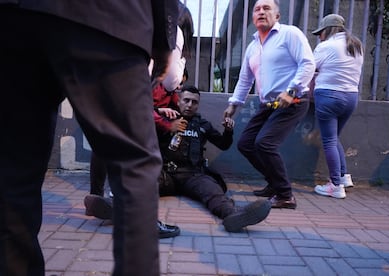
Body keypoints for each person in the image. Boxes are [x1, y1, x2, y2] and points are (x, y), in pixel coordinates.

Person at [0, 1, 179, 275]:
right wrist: (164, 40)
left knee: (14, 170)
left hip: (14, 17)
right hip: (108, 14)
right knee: (134, 163)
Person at [83, 85, 272, 232]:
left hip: (193, 175)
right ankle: (117, 209)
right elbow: (142, 123)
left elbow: (223, 144)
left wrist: (229, 131)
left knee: (213, 192)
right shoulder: (165, 119)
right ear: (178, 101)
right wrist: (159, 114)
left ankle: (233, 216)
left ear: (198, 104)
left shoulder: (202, 124)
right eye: (186, 101)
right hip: (164, 173)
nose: (189, 105)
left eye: (194, 102)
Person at [85, 2, 194, 239]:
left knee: (105, 137)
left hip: (91, 59)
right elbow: (172, 79)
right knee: (140, 148)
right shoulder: (171, 19)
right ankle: (141, 219)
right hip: (133, 80)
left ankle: (100, 196)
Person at [223, 0, 315, 209]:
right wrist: (234, 104)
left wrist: (291, 91)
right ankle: (274, 183)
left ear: (277, 16)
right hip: (268, 104)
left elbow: (308, 63)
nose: (261, 12)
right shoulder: (253, 46)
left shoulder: (290, 34)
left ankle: (285, 195)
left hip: (293, 101)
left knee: (264, 143)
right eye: (257, 9)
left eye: (266, 8)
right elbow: (245, 80)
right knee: (246, 144)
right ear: (253, 17)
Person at [311, 14, 363, 198]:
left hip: (329, 96)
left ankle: (335, 185)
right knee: (334, 137)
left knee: (329, 140)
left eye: (321, 33)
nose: (319, 37)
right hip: (351, 97)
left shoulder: (326, 46)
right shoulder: (356, 46)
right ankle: (343, 177)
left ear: (329, 30)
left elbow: (309, 69)